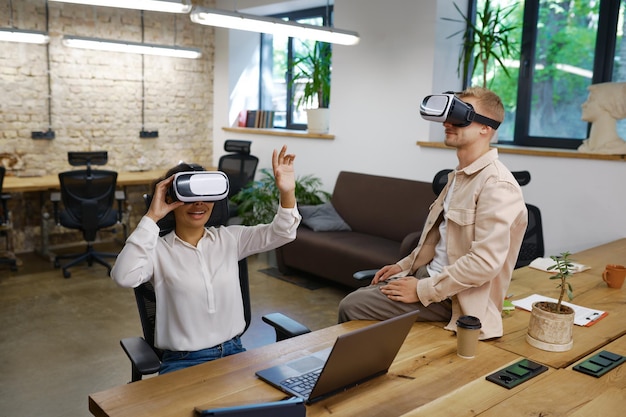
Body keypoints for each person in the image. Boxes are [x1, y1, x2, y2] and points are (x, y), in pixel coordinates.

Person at [338, 87, 528, 340]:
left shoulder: (497, 184)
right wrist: (403, 265)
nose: (448, 123)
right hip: (429, 275)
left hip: (455, 296)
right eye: (448, 114)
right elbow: (440, 241)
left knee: (352, 305)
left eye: (460, 116)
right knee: (361, 298)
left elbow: (484, 263)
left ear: (486, 128)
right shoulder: (459, 177)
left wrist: (422, 289)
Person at [111, 145, 300, 374]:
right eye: (189, 195)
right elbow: (123, 275)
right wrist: (152, 216)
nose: (199, 203)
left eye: (206, 194)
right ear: (170, 200)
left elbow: (283, 232)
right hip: (183, 362)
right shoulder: (157, 250)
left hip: (235, 353)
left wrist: (287, 191)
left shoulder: (231, 239)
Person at [578, 82, 626, 155]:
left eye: (591, 100)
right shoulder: (585, 148)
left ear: (607, 105)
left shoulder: (618, 148)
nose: (583, 105)